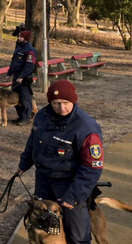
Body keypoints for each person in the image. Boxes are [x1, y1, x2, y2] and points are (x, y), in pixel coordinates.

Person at [17, 80, 103, 244]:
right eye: (56, 103)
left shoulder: (86, 127)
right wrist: (24, 163)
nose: (61, 108)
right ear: (50, 101)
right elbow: (33, 142)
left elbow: (92, 168)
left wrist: (73, 196)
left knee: (78, 235)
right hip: (44, 181)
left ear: (74, 101)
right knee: (44, 228)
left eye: (65, 103)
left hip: (69, 185)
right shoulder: (42, 116)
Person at [7, 30, 37, 126]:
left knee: (25, 99)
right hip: (16, 76)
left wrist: (21, 76)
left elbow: (29, 65)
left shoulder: (30, 50)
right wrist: (9, 73)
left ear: (25, 38)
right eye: (19, 36)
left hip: (23, 78)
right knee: (15, 98)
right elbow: (14, 62)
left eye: (20, 37)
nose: (18, 38)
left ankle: (26, 118)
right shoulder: (19, 47)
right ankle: (20, 116)